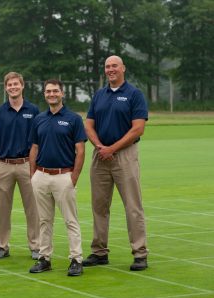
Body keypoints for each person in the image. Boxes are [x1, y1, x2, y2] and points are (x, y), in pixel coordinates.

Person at [83, 55, 149, 271]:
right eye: (107, 67)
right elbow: (89, 125)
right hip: (100, 155)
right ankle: (99, 251)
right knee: (99, 206)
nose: (110, 69)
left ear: (123, 69)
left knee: (133, 206)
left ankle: (140, 254)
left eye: (114, 66)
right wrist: (101, 147)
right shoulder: (99, 95)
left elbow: (138, 128)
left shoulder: (134, 94)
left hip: (124, 156)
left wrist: (113, 148)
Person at [28, 79, 86, 276]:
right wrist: (33, 175)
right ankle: (44, 258)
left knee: (70, 220)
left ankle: (76, 259)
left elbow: (80, 150)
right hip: (41, 176)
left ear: (62, 94)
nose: (51, 94)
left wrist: (74, 177)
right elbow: (34, 148)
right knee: (44, 220)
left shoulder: (73, 119)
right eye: (48, 91)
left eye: (55, 91)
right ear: (44, 94)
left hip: (64, 176)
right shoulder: (39, 119)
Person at [0, 71, 41, 260]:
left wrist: (35, 165)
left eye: (16, 84)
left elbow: (38, 140)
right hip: (4, 164)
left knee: (32, 208)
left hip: (27, 164)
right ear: (6, 88)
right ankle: (2, 246)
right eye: (9, 85)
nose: (13, 87)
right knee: (3, 209)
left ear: (22, 85)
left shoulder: (33, 110)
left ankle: (36, 246)